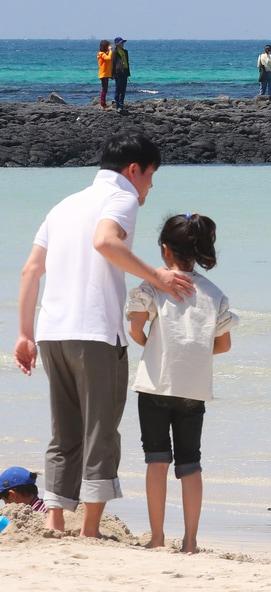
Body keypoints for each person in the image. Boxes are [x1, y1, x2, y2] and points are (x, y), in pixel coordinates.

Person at [12, 135, 193, 536]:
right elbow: (105, 241)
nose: (150, 187)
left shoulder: (63, 205)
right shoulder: (122, 198)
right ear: (134, 170)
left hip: (51, 332)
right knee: (101, 429)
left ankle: (56, 520)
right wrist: (157, 276)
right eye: (151, 176)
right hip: (94, 332)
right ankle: (89, 529)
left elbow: (30, 271)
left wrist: (24, 334)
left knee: (65, 431)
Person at [127, 214, 237, 554]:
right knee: (190, 463)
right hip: (194, 389)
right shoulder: (214, 293)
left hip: (156, 384)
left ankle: (157, 537)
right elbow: (223, 345)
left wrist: (154, 346)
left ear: (165, 250)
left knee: (156, 460)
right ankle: (190, 541)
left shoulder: (153, 285)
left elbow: (135, 329)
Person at [111, 37, 131, 112]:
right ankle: (117, 106)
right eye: (121, 43)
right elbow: (113, 63)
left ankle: (121, 105)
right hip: (118, 72)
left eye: (123, 42)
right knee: (118, 89)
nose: (122, 44)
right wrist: (112, 74)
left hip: (125, 72)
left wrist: (128, 73)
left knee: (123, 90)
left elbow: (127, 63)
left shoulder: (125, 52)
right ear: (117, 44)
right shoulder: (114, 52)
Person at [96, 40, 113, 109]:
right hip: (103, 74)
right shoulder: (101, 54)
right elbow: (108, 58)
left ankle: (103, 103)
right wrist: (110, 50)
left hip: (106, 74)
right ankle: (103, 104)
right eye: (108, 46)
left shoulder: (104, 53)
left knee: (105, 89)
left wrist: (109, 51)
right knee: (104, 89)